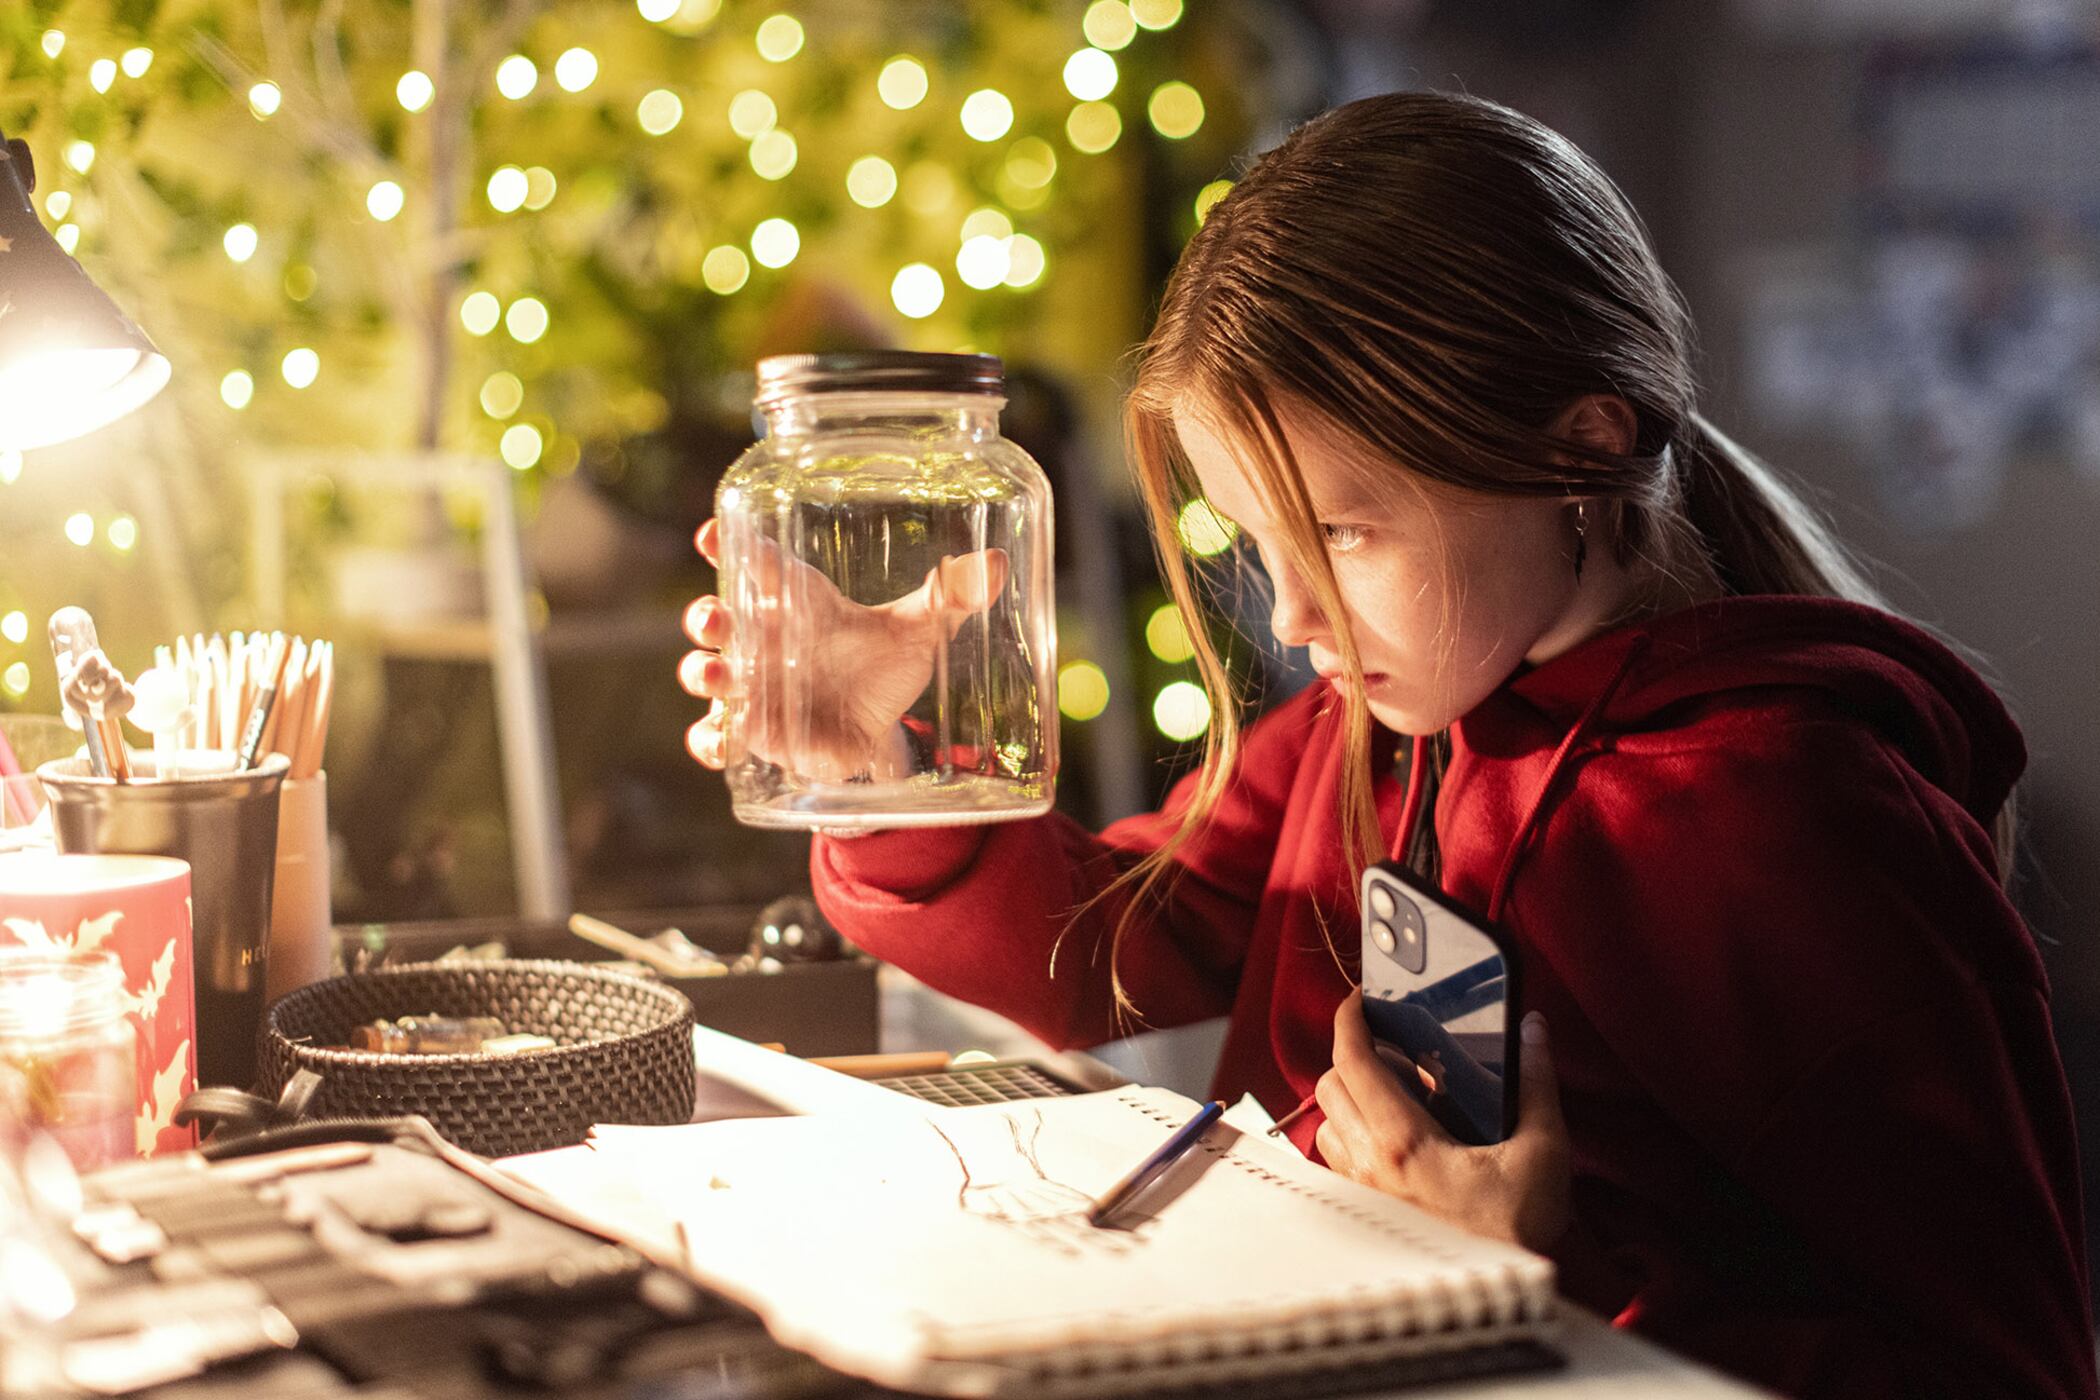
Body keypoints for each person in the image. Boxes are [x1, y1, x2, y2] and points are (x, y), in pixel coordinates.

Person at [678, 92, 2096, 1399]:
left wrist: (1527, 1285)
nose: (1292, 619)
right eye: (1255, 543)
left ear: (1583, 450)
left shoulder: (1785, 822)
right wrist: (882, 769)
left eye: (1345, 535)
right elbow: (1116, 944)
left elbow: (2007, 1366)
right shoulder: (1381, 722)